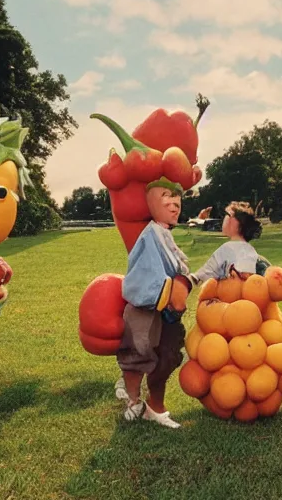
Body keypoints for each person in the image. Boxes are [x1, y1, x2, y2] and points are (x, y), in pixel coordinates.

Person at [116, 178, 193, 429]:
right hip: (146, 308)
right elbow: (146, 275)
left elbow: (180, 271)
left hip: (167, 312)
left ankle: (155, 406)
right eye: (166, 198)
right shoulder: (150, 235)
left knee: (169, 356)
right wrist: (169, 291)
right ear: (151, 202)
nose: (174, 205)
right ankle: (134, 401)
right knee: (139, 352)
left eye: (177, 199)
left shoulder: (165, 235)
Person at [191, 201, 263, 283]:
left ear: (234, 221)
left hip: (228, 293)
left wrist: (190, 279)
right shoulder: (250, 250)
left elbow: (203, 274)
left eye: (226, 215)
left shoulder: (227, 249)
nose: (223, 218)